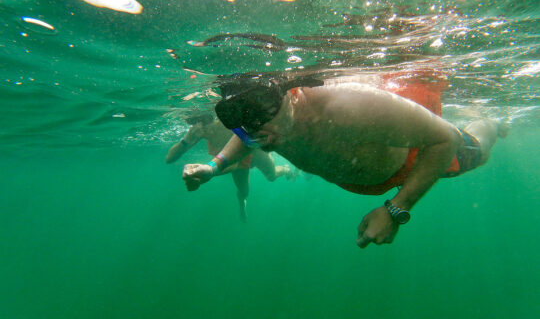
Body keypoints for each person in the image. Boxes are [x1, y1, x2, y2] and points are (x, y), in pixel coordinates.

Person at [181, 71, 508, 248]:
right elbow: (247, 136)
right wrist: (214, 167)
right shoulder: (262, 123)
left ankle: (492, 123)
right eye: (246, 125)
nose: (257, 135)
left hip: (411, 156)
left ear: (292, 92)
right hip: (365, 165)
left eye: (263, 119)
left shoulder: (349, 104)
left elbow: (443, 140)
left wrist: (395, 210)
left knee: (475, 150)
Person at [166, 113, 294, 222]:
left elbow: (235, 163)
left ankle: (286, 169)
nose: (199, 125)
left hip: (254, 152)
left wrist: (210, 170)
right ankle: (242, 201)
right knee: (244, 191)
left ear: (214, 116)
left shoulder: (227, 122)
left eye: (204, 120)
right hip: (228, 159)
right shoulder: (199, 131)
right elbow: (169, 159)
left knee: (271, 176)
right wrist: (186, 140)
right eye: (193, 121)